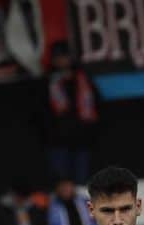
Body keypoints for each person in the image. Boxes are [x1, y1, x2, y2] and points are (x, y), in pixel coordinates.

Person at [46, 41, 99, 185]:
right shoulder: (48, 81)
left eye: (64, 56)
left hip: (82, 141)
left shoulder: (83, 78)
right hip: (58, 143)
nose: (61, 60)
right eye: (57, 57)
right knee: (61, 183)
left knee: (82, 184)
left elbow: (95, 105)